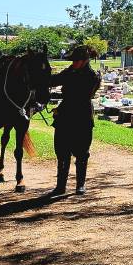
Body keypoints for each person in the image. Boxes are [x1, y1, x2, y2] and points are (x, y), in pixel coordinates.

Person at [49, 45, 101, 195]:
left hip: (82, 116)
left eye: (76, 60)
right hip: (65, 116)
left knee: (82, 152)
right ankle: (60, 186)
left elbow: (79, 97)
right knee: (62, 152)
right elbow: (54, 80)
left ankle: (80, 184)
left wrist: (60, 109)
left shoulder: (91, 76)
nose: (73, 63)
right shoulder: (70, 71)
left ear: (84, 61)